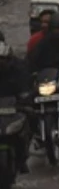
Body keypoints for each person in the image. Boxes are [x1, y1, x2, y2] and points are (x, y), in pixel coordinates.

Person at [0, 39, 30, 173]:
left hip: (14, 108)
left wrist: (26, 100)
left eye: (3, 59)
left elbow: (26, 86)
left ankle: (22, 158)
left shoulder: (19, 69)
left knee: (26, 128)